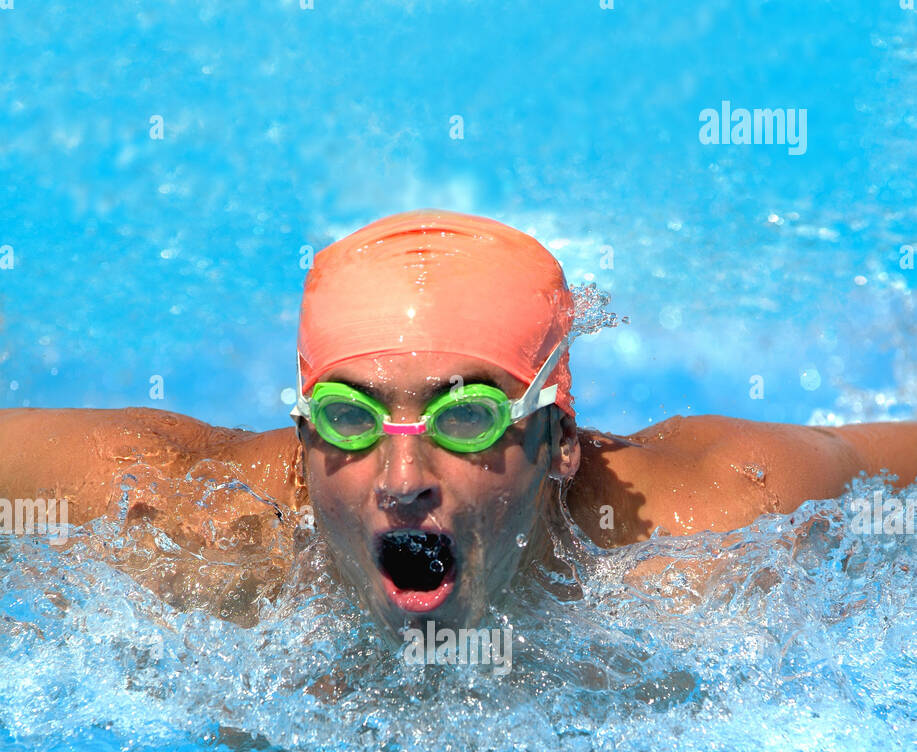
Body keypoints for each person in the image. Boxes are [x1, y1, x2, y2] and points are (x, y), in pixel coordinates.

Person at [1, 209, 914, 639]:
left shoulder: (721, 525)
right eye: (349, 419)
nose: (402, 480)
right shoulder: (184, 521)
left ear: (557, 439)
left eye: (469, 416)